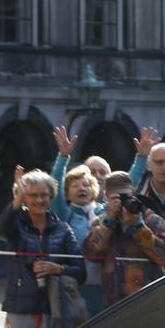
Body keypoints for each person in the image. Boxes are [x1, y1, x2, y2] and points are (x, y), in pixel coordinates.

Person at [0, 169, 86, 328]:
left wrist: (58, 269)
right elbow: (0, 230)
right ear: (25, 198)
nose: (39, 200)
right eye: (32, 195)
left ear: (51, 196)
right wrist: (18, 198)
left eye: (43, 195)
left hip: (56, 308)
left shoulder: (62, 228)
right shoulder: (16, 226)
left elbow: (80, 270)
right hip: (21, 307)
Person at [84, 172, 165, 306]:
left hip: (151, 301)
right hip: (114, 304)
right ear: (106, 197)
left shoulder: (152, 220)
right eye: (116, 198)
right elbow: (91, 254)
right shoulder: (100, 223)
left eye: (126, 196)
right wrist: (108, 224)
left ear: (133, 193)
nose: (122, 202)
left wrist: (138, 226)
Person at [48, 126, 106, 316]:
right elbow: (55, 184)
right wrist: (63, 157)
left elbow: (128, 185)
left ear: (95, 189)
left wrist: (141, 158)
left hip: (104, 282)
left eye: (86, 184)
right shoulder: (66, 214)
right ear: (67, 191)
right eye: (75, 185)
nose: (82, 188)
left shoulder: (104, 211)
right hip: (76, 282)